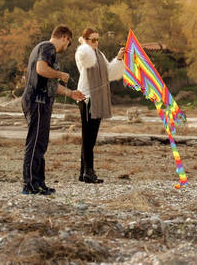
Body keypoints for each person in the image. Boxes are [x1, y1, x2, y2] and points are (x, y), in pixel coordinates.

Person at [21, 25, 84, 195]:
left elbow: (51, 85)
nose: (67, 47)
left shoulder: (43, 49)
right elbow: (41, 70)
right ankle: (30, 185)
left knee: (41, 143)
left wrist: (71, 93)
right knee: (35, 142)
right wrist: (59, 74)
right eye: (69, 43)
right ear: (64, 37)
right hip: (37, 101)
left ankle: (39, 183)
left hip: (41, 101)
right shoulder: (48, 47)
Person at [75, 27, 125, 183]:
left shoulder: (100, 54)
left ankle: (84, 172)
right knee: (88, 137)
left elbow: (110, 73)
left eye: (98, 39)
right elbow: (87, 59)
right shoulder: (82, 53)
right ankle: (88, 172)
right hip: (87, 98)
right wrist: (84, 44)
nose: (96, 42)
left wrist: (118, 58)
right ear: (86, 40)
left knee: (90, 137)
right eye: (93, 39)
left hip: (97, 98)